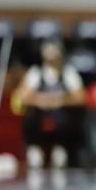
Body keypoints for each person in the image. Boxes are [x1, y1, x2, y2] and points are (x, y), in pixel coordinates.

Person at [15, 37, 86, 168]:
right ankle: (34, 148)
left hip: (60, 119)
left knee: (68, 118)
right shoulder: (35, 72)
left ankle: (61, 148)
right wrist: (41, 100)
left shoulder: (68, 73)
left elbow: (80, 97)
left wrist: (58, 100)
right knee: (29, 116)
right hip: (39, 117)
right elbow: (21, 96)